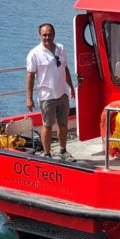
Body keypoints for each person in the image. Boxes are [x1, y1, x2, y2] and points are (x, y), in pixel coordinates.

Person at [25, 22, 76, 161]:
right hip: (47, 96)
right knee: (47, 125)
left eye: (50, 34)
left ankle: (63, 150)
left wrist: (71, 87)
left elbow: (65, 68)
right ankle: (47, 155)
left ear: (54, 34)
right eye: (44, 35)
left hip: (62, 93)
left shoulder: (61, 48)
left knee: (63, 124)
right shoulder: (34, 54)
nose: (47, 37)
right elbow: (30, 76)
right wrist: (28, 98)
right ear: (40, 36)